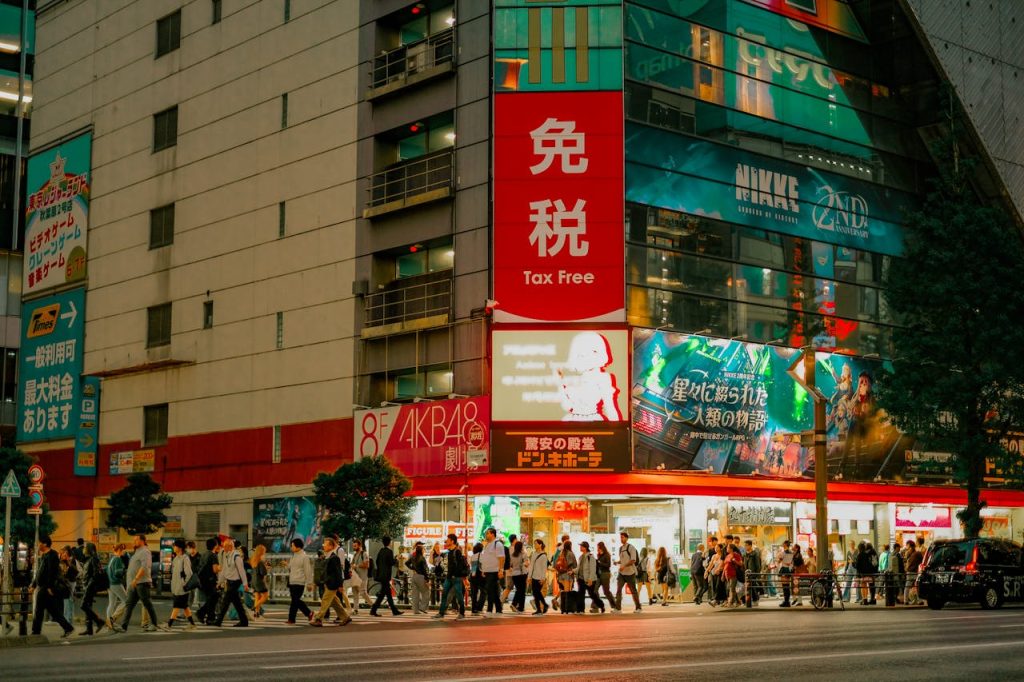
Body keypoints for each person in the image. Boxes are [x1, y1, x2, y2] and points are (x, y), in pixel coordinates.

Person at [30, 535, 74, 638]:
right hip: (44, 587)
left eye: (39, 543)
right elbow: (40, 573)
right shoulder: (44, 555)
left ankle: (35, 632)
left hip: (46, 587)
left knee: (39, 610)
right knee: (54, 611)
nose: (38, 545)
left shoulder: (52, 555)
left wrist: (50, 587)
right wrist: (34, 584)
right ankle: (68, 628)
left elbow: (52, 572)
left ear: (45, 544)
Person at [118, 535, 162, 632]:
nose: (134, 541)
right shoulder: (136, 552)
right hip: (133, 584)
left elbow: (144, 567)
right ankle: (123, 626)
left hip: (142, 583)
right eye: (134, 540)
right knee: (129, 605)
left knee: (147, 604)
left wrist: (136, 579)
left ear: (142, 541)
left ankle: (154, 624)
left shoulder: (145, 552)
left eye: (136, 540)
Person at [311, 537, 352, 627]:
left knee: (325, 600)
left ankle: (318, 619)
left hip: (332, 583)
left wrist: (340, 585)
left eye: (325, 544)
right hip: (328, 582)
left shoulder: (334, 558)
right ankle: (345, 617)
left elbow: (338, 572)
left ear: (331, 546)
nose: (323, 546)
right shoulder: (327, 557)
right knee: (335, 602)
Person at [213, 537, 250, 627]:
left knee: (226, 601)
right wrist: (219, 582)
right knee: (237, 603)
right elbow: (224, 570)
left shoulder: (236, 557)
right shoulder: (226, 555)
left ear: (230, 547)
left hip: (235, 582)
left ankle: (218, 621)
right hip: (229, 581)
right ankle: (244, 621)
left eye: (225, 546)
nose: (223, 548)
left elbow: (242, 571)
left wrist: (245, 584)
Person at [433, 533, 468, 620]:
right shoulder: (449, 552)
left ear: (452, 541)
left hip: (456, 578)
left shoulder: (457, 551)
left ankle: (462, 613)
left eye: (448, 540)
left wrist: (455, 574)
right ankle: (441, 613)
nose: (446, 541)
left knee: (459, 596)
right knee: (444, 594)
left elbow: (459, 565)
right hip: (449, 577)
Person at [167, 539, 197, 629]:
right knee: (185, 607)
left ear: (179, 548)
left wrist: (184, 584)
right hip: (176, 586)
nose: (173, 547)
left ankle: (169, 624)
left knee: (176, 605)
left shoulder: (185, 558)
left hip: (182, 588)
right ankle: (192, 624)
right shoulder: (176, 558)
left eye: (174, 546)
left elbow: (189, 573)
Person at [369, 536, 402, 616]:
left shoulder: (381, 551)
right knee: (384, 594)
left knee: (386, 593)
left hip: (381, 574)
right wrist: (396, 559)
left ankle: (394, 610)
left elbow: (377, 561)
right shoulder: (389, 551)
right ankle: (374, 610)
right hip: (386, 575)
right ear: (389, 542)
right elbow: (391, 562)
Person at [78, 542, 106, 636]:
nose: (83, 548)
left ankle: (99, 621)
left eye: (85, 547)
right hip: (87, 586)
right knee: (88, 606)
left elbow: (95, 574)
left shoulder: (94, 559)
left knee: (83, 605)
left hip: (90, 587)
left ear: (89, 549)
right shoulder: (88, 559)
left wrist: (89, 586)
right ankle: (89, 629)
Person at [286, 538, 314, 624]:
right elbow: (291, 567)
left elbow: (307, 570)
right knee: (294, 600)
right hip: (292, 581)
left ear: (298, 546)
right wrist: (287, 565)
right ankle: (293, 619)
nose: (291, 547)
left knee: (295, 600)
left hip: (299, 582)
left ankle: (307, 613)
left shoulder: (304, 557)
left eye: (292, 546)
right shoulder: (293, 555)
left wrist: (309, 583)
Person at [194, 537, 221, 625]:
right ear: (215, 545)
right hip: (210, 580)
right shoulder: (213, 555)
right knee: (214, 597)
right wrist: (221, 567)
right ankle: (205, 615)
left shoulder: (204, 554)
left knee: (211, 598)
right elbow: (215, 570)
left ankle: (207, 616)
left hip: (202, 580)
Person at [480, 528, 506, 614]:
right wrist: (483, 570)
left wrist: (501, 570)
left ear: (493, 534)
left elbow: (502, 558)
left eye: (488, 533)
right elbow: (485, 558)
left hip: (494, 571)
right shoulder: (487, 545)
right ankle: (498, 608)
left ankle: (490, 609)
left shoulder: (497, 544)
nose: (486, 535)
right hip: (487, 571)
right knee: (493, 590)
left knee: (489, 589)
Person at [614, 531, 642, 612]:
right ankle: (618, 608)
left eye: (623, 537)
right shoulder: (620, 548)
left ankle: (638, 607)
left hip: (630, 573)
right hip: (622, 573)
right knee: (618, 590)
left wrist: (624, 566)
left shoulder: (631, 547)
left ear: (627, 538)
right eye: (621, 537)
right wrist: (618, 562)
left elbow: (633, 560)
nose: (621, 539)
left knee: (633, 591)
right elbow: (623, 560)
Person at [104, 544, 128, 630]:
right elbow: (118, 572)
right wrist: (124, 570)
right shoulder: (117, 559)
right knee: (126, 601)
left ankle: (109, 621)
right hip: (116, 583)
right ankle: (112, 618)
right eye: (123, 550)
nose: (124, 552)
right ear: (119, 550)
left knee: (112, 603)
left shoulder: (112, 558)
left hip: (109, 583)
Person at [577, 541, 605, 614]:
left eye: (582, 546)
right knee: (581, 594)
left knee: (592, 594)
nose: (580, 547)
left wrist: (590, 579)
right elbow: (578, 568)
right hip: (581, 579)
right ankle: (581, 610)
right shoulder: (581, 557)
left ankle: (601, 605)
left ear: (585, 547)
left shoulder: (590, 557)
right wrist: (572, 571)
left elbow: (593, 569)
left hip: (589, 579)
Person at [407, 541, 430, 614]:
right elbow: (425, 570)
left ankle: (415, 610)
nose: (424, 550)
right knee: (426, 592)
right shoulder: (422, 558)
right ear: (421, 550)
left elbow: (406, 563)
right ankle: (422, 607)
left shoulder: (413, 557)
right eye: (423, 549)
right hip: (421, 577)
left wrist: (413, 568)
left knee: (415, 594)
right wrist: (427, 579)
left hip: (414, 576)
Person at [349, 539, 372, 613]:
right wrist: (352, 566)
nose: (354, 547)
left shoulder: (364, 554)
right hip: (355, 577)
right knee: (355, 593)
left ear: (359, 545)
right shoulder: (355, 555)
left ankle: (373, 605)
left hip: (362, 577)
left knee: (363, 593)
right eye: (353, 546)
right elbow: (352, 564)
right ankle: (355, 609)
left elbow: (367, 565)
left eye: (355, 546)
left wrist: (356, 566)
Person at [528, 539, 549, 615]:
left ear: (540, 545)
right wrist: (529, 577)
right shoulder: (534, 554)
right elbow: (531, 566)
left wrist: (543, 578)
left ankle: (543, 606)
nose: (535, 545)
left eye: (536, 544)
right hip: (533, 576)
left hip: (540, 577)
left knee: (537, 593)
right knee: (535, 593)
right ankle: (540, 608)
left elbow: (544, 568)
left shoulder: (543, 556)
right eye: (534, 544)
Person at [556, 539, 577, 614]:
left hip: (561, 574)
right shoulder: (570, 553)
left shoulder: (562, 552)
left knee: (564, 592)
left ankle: (563, 609)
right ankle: (567, 608)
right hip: (567, 574)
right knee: (567, 592)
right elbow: (571, 563)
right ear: (570, 545)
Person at [58, 545, 78, 625]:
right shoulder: (64, 561)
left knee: (68, 601)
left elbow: (75, 571)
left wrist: (68, 563)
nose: (63, 554)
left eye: (64, 552)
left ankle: (67, 621)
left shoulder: (72, 560)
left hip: (70, 582)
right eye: (62, 553)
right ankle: (69, 620)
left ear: (68, 552)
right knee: (68, 601)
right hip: (66, 582)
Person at [509, 540, 528, 613]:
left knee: (519, 590)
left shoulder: (512, 555)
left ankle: (519, 606)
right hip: (522, 574)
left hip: (514, 574)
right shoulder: (523, 554)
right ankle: (517, 605)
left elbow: (510, 565)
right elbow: (526, 564)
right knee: (522, 591)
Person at [856, 541, 878, 605]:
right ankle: (872, 599)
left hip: (864, 573)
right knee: (871, 585)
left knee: (864, 585)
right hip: (871, 571)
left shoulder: (865, 554)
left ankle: (865, 599)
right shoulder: (873, 552)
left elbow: (858, 565)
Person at [596, 541, 616, 608]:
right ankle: (595, 606)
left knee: (606, 591)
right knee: (595, 590)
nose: (597, 548)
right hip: (599, 574)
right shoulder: (598, 555)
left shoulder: (607, 555)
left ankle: (614, 605)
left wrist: (599, 563)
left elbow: (608, 565)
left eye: (598, 547)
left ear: (601, 547)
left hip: (605, 574)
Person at [775, 540, 795, 608]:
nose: (782, 545)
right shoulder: (791, 552)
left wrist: (778, 561)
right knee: (787, 586)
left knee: (784, 586)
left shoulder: (783, 553)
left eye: (783, 544)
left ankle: (786, 601)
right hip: (788, 569)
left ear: (785, 545)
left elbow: (779, 561)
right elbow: (791, 562)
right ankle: (787, 601)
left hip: (784, 569)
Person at [743, 540, 762, 606]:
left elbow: (758, 565)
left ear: (750, 545)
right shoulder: (745, 554)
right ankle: (749, 600)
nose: (745, 547)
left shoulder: (755, 554)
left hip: (753, 573)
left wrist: (757, 574)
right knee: (748, 587)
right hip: (746, 573)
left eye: (746, 545)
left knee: (753, 587)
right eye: (745, 545)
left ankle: (755, 600)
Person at [903, 540, 923, 605]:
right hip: (915, 572)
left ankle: (906, 600)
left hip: (910, 572)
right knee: (916, 586)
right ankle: (918, 600)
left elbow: (906, 562)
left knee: (908, 587)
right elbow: (922, 561)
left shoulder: (909, 553)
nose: (907, 547)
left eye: (907, 545)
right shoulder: (918, 553)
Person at [469, 541, 485, 614]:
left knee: (474, 593)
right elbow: (482, 567)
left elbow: (472, 567)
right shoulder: (482, 555)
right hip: (480, 576)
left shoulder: (472, 556)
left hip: (473, 575)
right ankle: (479, 607)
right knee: (484, 592)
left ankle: (473, 609)